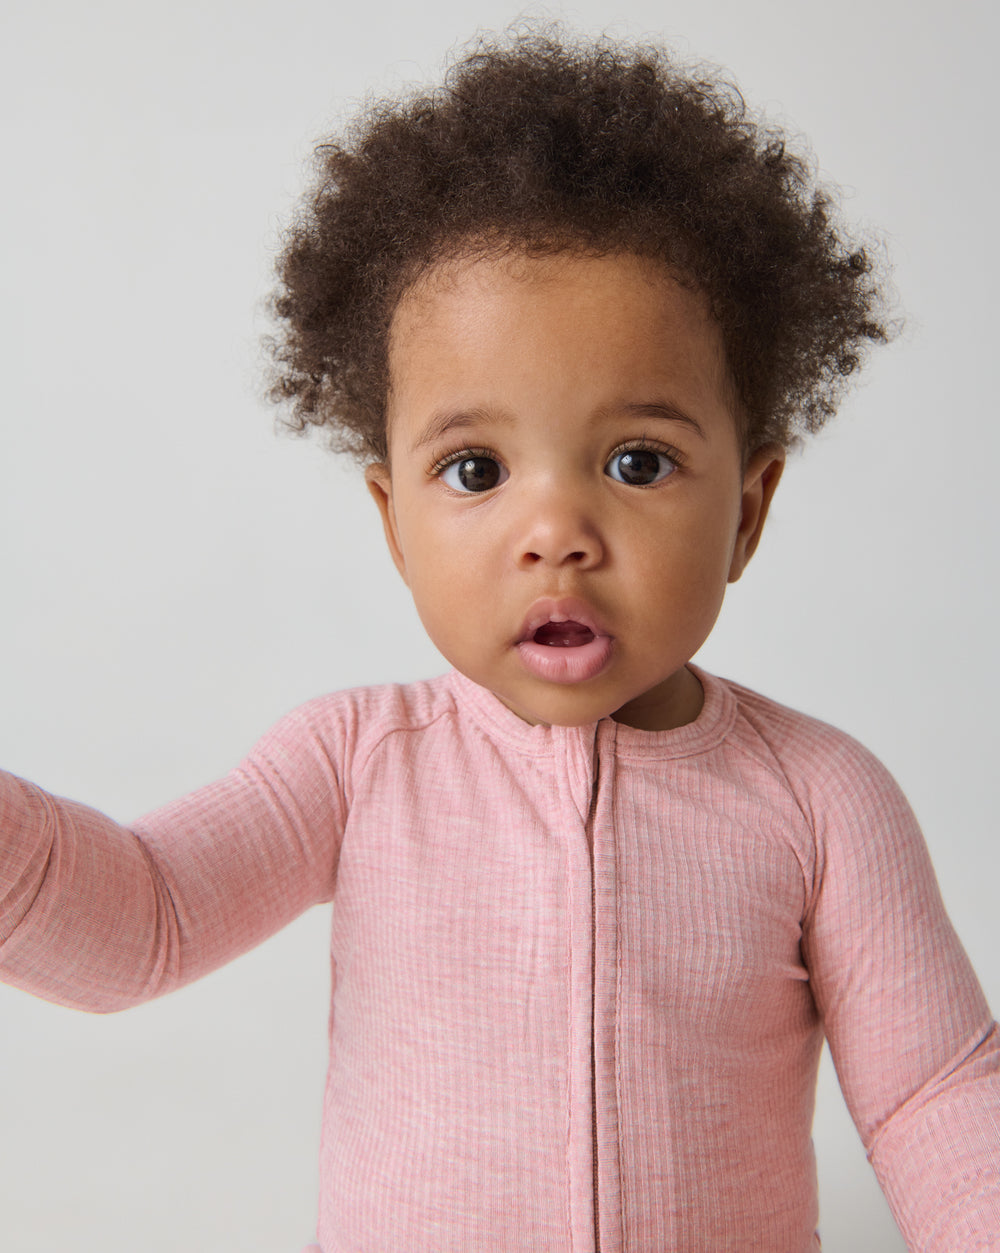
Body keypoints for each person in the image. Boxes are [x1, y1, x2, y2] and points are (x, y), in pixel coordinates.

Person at [1, 26, 997, 1253]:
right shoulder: (356, 763)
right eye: (475, 468)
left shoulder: (822, 799)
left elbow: (934, 1092)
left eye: (638, 461)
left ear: (745, 509)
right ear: (394, 523)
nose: (556, 531)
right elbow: (142, 919)